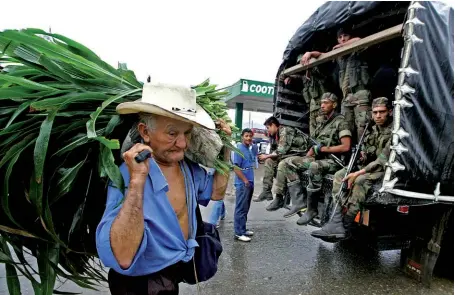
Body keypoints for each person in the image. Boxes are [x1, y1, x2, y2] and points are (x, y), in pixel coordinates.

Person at [96, 82, 231, 295]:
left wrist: (226, 149)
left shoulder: (187, 169)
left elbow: (217, 192)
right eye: (172, 133)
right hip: (139, 284)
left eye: (186, 133)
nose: (182, 143)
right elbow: (122, 256)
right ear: (145, 132)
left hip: (172, 274)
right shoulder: (126, 175)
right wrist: (137, 182)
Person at [311, 97, 392, 241]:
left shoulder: (394, 132)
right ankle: (336, 220)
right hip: (367, 167)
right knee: (340, 175)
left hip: (384, 170)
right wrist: (361, 155)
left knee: (359, 181)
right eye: (375, 112)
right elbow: (367, 152)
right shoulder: (371, 129)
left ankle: (346, 225)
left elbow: (382, 160)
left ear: (389, 112)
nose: (378, 116)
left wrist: (358, 172)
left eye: (382, 112)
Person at [283, 93, 352, 224]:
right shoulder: (323, 122)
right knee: (288, 162)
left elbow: (346, 147)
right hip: (319, 158)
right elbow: (316, 144)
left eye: (326, 102)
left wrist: (323, 149)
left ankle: (312, 209)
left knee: (315, 167)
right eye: (321, 103)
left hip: (334, 161)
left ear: (335, 104)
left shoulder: (341, 122)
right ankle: (298, 202)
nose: (322, 105)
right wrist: (309, 154)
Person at [300, 26, 371, 142]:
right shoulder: (339, 56)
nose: (343, 39)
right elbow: (322, 55)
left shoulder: (357, 49)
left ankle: (363, 154)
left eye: (345, 36)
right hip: (346, 97)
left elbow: (359, 39)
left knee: (362, 128)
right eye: (340, 37)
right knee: (345, 128)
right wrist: (310, 53)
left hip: (360, 94)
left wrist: (342, 46)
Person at [255, 116, 308, 212]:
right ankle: (266, 191)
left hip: (301, 155)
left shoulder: (285, 131)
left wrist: (266, 156)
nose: (267, 130)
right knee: (269, 161)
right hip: (290, 155)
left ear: (274, 125)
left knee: (282, 164)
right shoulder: (275, 135)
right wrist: (267, 157)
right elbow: (275, 151)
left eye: (268, 127)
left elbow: (281, 150)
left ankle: (279, 197)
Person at [232, 128, 256, 242]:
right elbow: (236, 168)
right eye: (246, 136)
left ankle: (243, 229)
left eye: (250, 136)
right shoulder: (238, 149)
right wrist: (245, 180)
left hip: (250, 182)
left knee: (245, 208)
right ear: (242, 136)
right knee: (240, 208)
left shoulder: (249, 149)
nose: (249, 138)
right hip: (243, 183)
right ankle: (238, 233)